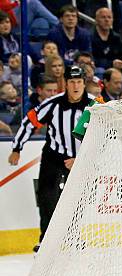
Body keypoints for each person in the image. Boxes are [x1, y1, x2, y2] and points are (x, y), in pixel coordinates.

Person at [8, 66, 99, 251]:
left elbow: (104, 134)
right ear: (65, 83)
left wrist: (80, 159)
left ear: (84, 84)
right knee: (47, 197)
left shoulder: (95, 106)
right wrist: (16, 148)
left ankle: (74, 236)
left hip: (81, 158)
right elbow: (29, 122)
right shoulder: (53, 104)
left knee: (78, 200)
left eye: (79, 82)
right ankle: (46, 240)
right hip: (54, 156)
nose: (75, 86)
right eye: (72, 82)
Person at [91, 7, 122, 71]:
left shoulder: (116, 37)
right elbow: (91, 60)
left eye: (109, 17)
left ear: (112, 20)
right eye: (103, 17)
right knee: (100, 71)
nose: (107, 20)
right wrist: (111, 64)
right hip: (98, 69)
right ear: (96, 20)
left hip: (116, 69)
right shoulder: (89, 37)